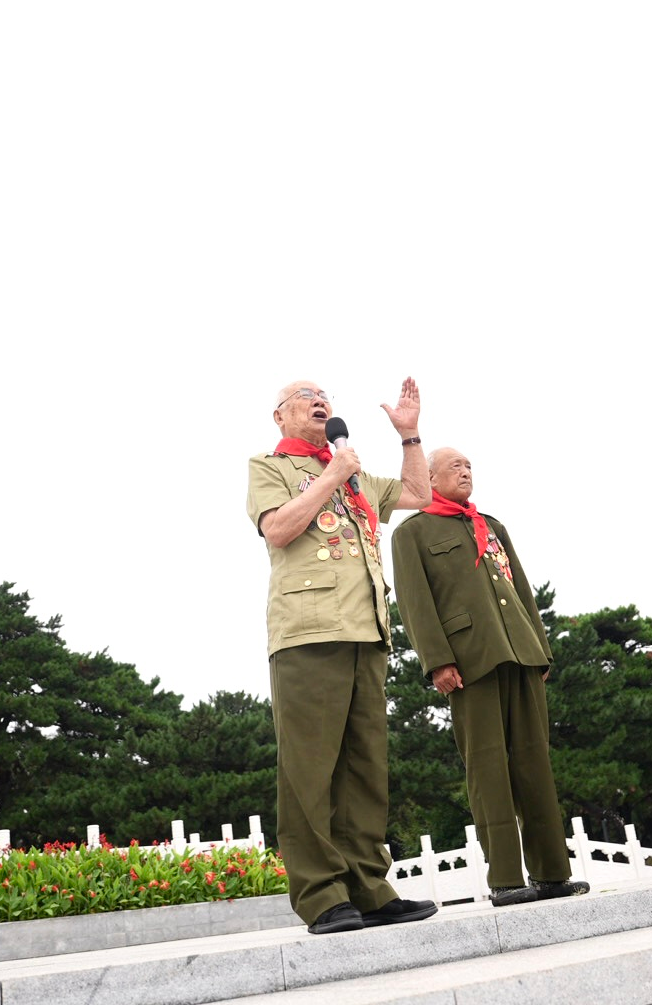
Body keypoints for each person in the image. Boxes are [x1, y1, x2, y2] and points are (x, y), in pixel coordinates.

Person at [246, 378, 438, 934]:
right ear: (280, 416)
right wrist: (330, 475)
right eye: (304, 395)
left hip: (367, 631)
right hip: (308, 632)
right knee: (309, 768)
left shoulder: (352, 471)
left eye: (322, 393)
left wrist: (409, 436)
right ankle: (321, 895)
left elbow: (418, 496)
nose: (318, 399)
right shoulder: (269, 466)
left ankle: (369, 889)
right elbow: (278, 529)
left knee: (364, 769)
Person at [392, 449, 588, 906]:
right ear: (431, 477)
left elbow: (519, 588)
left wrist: (540, 650)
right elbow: (415, 604)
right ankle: (505, 879)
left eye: (469, 466)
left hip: (520, 652)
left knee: (534, 763)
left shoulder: (491, 525)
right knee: (488, 769)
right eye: (455, 467)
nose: (465, 471)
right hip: (470, 659)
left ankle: (552, 873)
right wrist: (437, 660)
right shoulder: (413, 533)